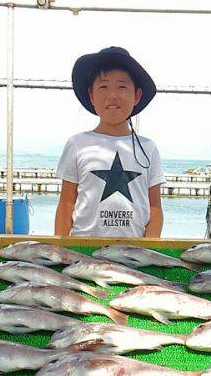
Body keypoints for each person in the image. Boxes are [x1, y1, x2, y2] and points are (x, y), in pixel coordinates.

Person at [54, 46, 164, 238]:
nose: (112, 95)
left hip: (133, 251)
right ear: (91, 95)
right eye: (103, 87)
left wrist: (149, 247)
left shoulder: (148, 148)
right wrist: (61, 247)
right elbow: (66, 204)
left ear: (137, 95)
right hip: (84, 248)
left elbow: (154, 207)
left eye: (122, 87)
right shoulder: (77, 144)